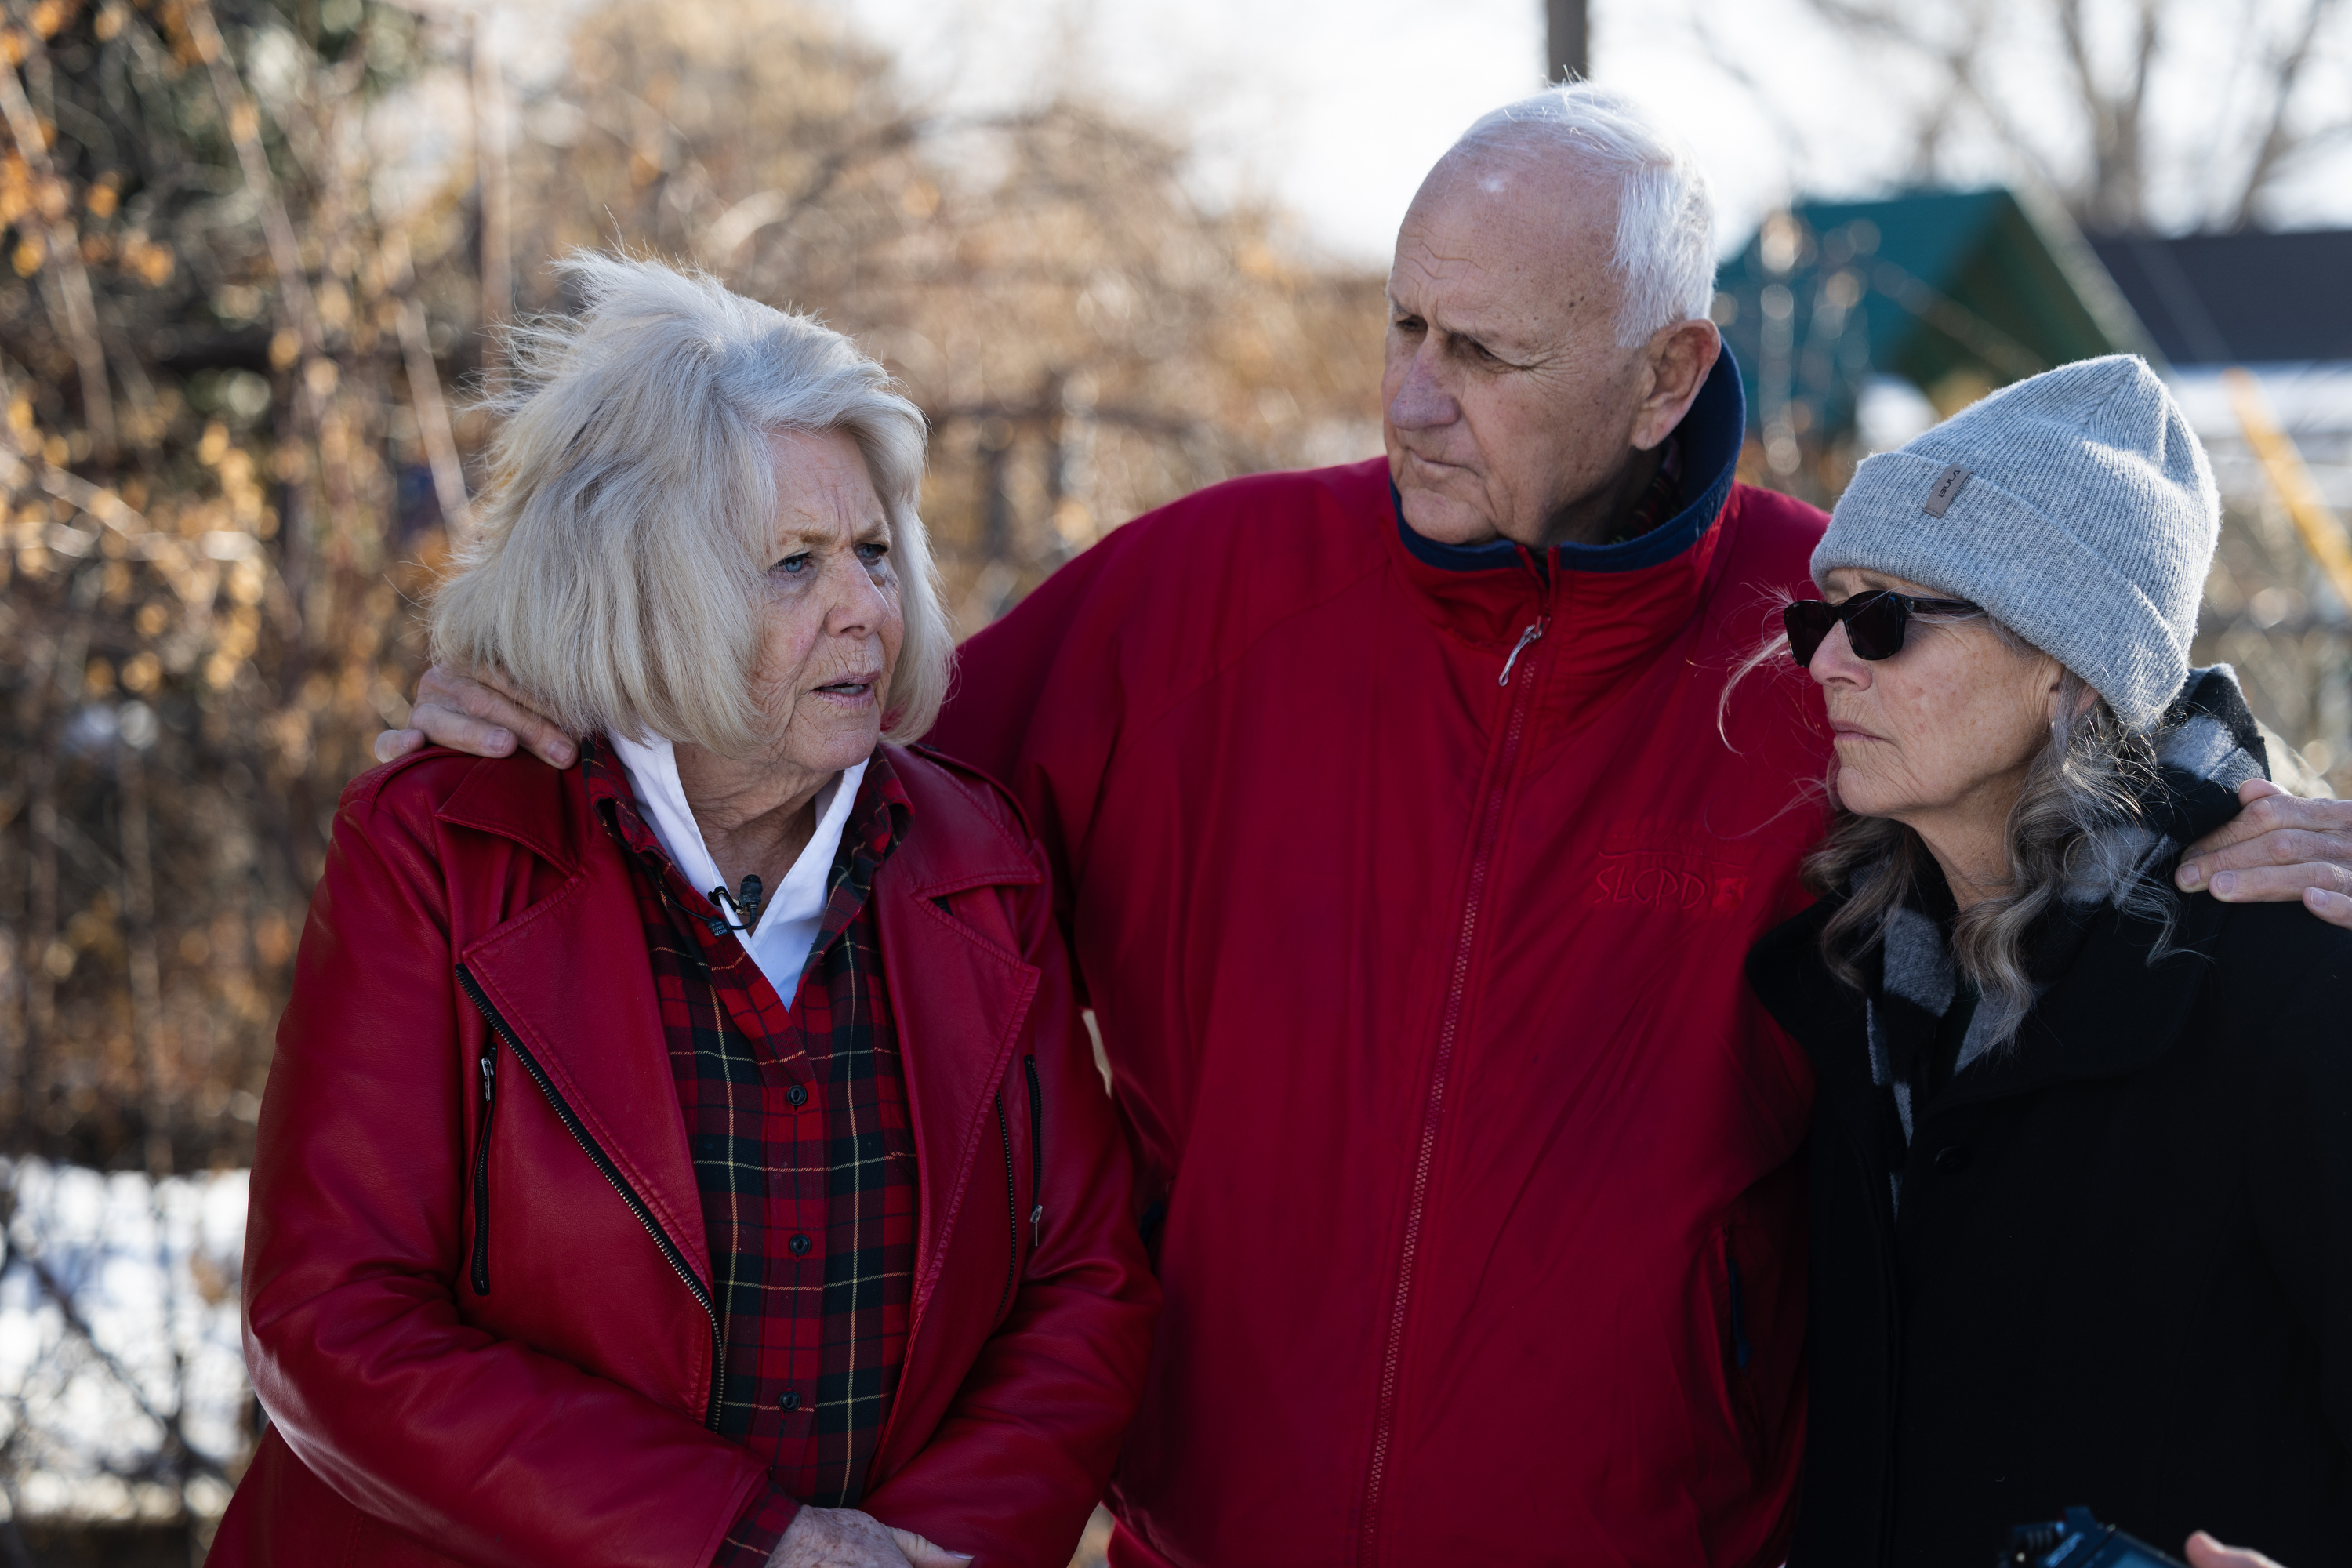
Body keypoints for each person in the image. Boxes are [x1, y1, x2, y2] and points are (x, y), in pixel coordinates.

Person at [381, 90, 2352, 1566]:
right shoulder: (1202, 598)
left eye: (1484, 354)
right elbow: (806, 784)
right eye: (1403, 325)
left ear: (1670, 371)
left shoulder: (1814, 650)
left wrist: (2280, 817)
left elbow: (2090, 792)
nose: (1410, 398)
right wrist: (564, 694)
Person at [216, 255, 1158, 1568]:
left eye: (876, 554)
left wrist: (925, 1554)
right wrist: (744, 1546)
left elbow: (1087, 1286)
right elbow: (333, 1320)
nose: (865, 609)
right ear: (645, 596)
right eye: (794, 566)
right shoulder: (444, 842)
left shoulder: (978, 860)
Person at [1744, 357, 2347, 1568]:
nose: (1826, 664)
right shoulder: (1857, 983)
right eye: (1821, 616)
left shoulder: (2286, 975)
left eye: (1884, 622)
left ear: (2068, 669)